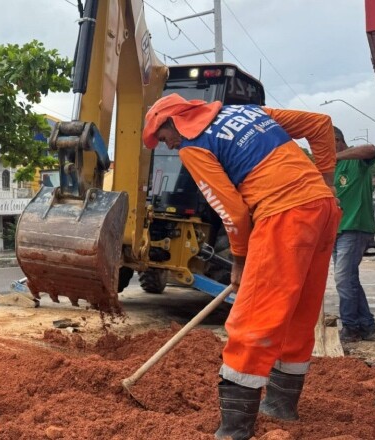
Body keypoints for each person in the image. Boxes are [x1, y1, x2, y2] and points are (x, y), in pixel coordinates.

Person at [143, 94, 341, 440]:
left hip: (283, 214)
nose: (169, 146)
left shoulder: (194, 144)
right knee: (299, 311)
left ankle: (234, 430)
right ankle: (281, 405)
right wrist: (324, 181)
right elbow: (320, 124)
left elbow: (232, 212)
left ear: (173, 121)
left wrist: (239, 261)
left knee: (253, 318)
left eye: (163, 137)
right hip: (322, 209)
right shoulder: (247, 112)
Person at [332, 126, 375, 342]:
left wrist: (335, 156)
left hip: (355, 226)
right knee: (349, 279)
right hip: (336, 230)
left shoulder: (356, 160)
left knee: (343, 279)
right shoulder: (330, 168)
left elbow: (371, 149)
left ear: (336, 140)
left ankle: (351, 327)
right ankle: (367, 327)